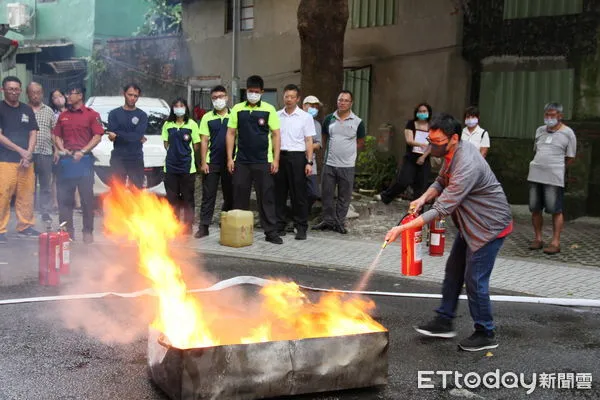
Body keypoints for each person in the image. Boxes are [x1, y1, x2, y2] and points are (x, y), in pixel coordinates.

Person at [384, 113, 513, 352]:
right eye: (430, 141)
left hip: (489, 227)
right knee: (453, 271)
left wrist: (402, 228)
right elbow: (441, 182)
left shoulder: (467, 164)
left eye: (437, 143)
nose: (432, 147)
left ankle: (485, 332)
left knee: (475, 280)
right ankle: (444, 320)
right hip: (469, 224)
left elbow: (443, 207)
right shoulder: (451, 153)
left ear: (453, 138)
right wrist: (421, 199)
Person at [226, 75, 282, 244]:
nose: (253, 94)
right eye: (250, 91)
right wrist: (230, 158)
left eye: (256, 92)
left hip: (263, 161)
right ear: (246, 91)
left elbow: (276, 134)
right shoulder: (237, 109)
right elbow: (230, 133)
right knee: (239, 196)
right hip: (241, 161)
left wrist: (276, 159)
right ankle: (239, 232)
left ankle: (271, 232)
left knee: (266, 197)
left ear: (262, 92)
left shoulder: (269, 109)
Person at [52, 83, 104, 243]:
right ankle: (67, 233)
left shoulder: (91, 114)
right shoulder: (63, 116)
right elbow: (56, 135)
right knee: (64, 200)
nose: (68, 96)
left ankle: (88, 232)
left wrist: (83, 151)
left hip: (84, 162)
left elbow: (97, 136)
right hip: (66, 162)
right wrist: (61, 149)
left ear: (80, 95)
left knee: (87, 200)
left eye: (71, 93)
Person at [313, 90, 365, 234]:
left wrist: (348, 152)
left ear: (351, 103)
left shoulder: (358, 122)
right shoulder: (329, 119)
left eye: (346, 100)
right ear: (337, 101)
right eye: (340, 100)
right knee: (327, 194)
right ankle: (328, 220)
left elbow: (360, 143)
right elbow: (324, 137)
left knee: (344, 196)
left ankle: (339, 222)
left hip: (347, 165)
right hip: (329, 163)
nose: (342, 103)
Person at [527, 102, 576, 255]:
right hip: (535, 174)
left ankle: (555, 241)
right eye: (546, 115)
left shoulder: (568, 133)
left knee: (555, 209)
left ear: (560, 116)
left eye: (552, 115)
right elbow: (536, 150)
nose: (549, 118)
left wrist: (557, 168)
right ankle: (538, 238)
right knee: (535, 208)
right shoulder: (540, 130)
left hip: (554, 177)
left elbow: (570, 157)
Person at [0, 76, 40, 243]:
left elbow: (33, 132)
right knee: (3, 194)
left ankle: (25, 226)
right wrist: (20, 151)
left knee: (26, 194)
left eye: (17, 89)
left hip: (26, 162)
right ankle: (0, 229)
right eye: (10, 89)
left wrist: (28, 153)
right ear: (3, 90)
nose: (14, 92)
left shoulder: (26, 109)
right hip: (5, 160)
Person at [274, 84, 315, 240]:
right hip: (280, 156)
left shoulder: (305, 117)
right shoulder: (277, 115)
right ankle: (280, 224)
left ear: (298, 99)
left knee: (299, 194)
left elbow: (309, 140)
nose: (289, 99)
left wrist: (309, 162)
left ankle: (301, 226)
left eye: (292, 97)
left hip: (298, 157)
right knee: (279, 193)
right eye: (286, 96)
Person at [196, 85, 234, 238]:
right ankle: (204, 227)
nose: (218, 100)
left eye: (221, 96)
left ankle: (227, 225)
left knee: (230, 195)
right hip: (212, 162)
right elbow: (204, 141)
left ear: (227, 97)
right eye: (215, 98)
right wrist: (204, 162)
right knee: (208, 195)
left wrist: (233, 159)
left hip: (230, 162)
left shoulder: (234, 115)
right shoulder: (207, 117)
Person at [376, 102, 432, 204]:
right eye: (420, 111)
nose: (422, 113)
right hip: (411, 158)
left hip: (425, 158)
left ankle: (417, 210)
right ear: (416, 113)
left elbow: (433, 144)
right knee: (403, 181)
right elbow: (409, 140)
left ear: (429, 113)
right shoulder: (411, 124)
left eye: (424, 111)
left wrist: (423, 157)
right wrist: (421, 144)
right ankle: (386, 196)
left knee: (421, 186)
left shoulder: (432, 126)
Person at [162, 98, 200, 234]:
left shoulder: (192, 125)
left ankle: (187, 227)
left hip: (187, 168)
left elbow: (196, 145)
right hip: (170, 168)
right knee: (172, 199)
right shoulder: (167, 124)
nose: (179, 108)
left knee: (187, 198)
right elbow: (166, 143)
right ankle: (174, 225)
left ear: (186, 108)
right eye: (176, 106)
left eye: (181, 105)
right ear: (172, 108)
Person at [107, 83, 148, 189]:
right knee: (117, 190)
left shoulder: (142, 115)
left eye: (135, 96)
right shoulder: (114, 114)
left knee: (137, 190)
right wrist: (135, 137)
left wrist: (118, 135)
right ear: (124, 94)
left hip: (136, 158)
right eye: (130, 95)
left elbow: (137, 135)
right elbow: (135, 136)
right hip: (118, 157)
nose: (132, 98)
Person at [27, 82, 56, 224]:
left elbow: (54, 132)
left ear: (42, 94)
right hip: (28, 154)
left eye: (38, 92)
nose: (35, 95)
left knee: (45, 185)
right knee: (28, 186)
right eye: (32, 92)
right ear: (27, 94)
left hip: (45, 153)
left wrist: (56, 150)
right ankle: (28, 213)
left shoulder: (49, 111)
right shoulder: (23, 110)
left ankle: (45, 212)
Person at [302, 95, 322, 213]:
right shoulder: (296, 120)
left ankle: (302, 214)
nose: (313, 108)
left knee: (313, 193)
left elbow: (318, 144)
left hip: (311, 162)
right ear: (304, 106)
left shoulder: (317, 125)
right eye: (311, 105)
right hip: (295, 161)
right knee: (296, 192)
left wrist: (307, 147)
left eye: (316, 106)